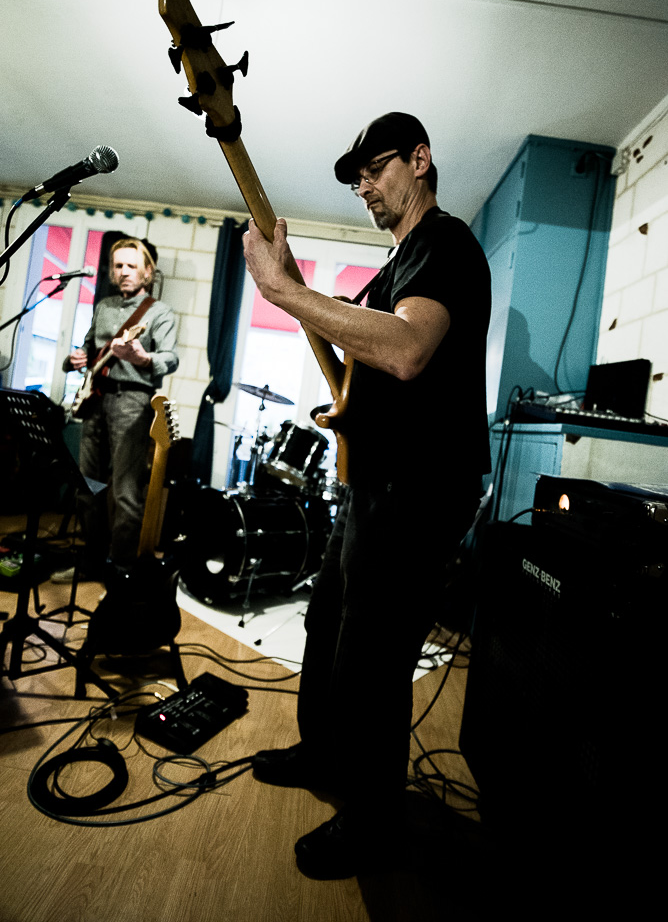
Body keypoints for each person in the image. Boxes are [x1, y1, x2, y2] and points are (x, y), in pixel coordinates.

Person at [242, 112, 491, 879]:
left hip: (422, 485)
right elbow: (371, 360)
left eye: (374, 169)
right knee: (328, 624)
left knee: (373, 657)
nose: (363, 187)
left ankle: (374, 821)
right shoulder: (396, 266)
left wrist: (283, 292)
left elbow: (408, 349)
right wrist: (350, 408)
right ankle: (323, 754)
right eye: (356, 179)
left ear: (420, 159)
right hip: (376, 478)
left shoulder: (445, 244)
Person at [56, 237, 179, 579]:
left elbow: (170, 358)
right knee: (87, 485)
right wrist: (75, 359)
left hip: (133, 402)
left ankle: (121, 568)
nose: (124, 272)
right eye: (118, 265)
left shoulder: (159, 312)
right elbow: (87, 349)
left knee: (125, 490)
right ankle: (90, 561)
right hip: (95, 398)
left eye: (131, 266)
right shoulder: (104, 306)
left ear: (147, 272)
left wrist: (143, 357)